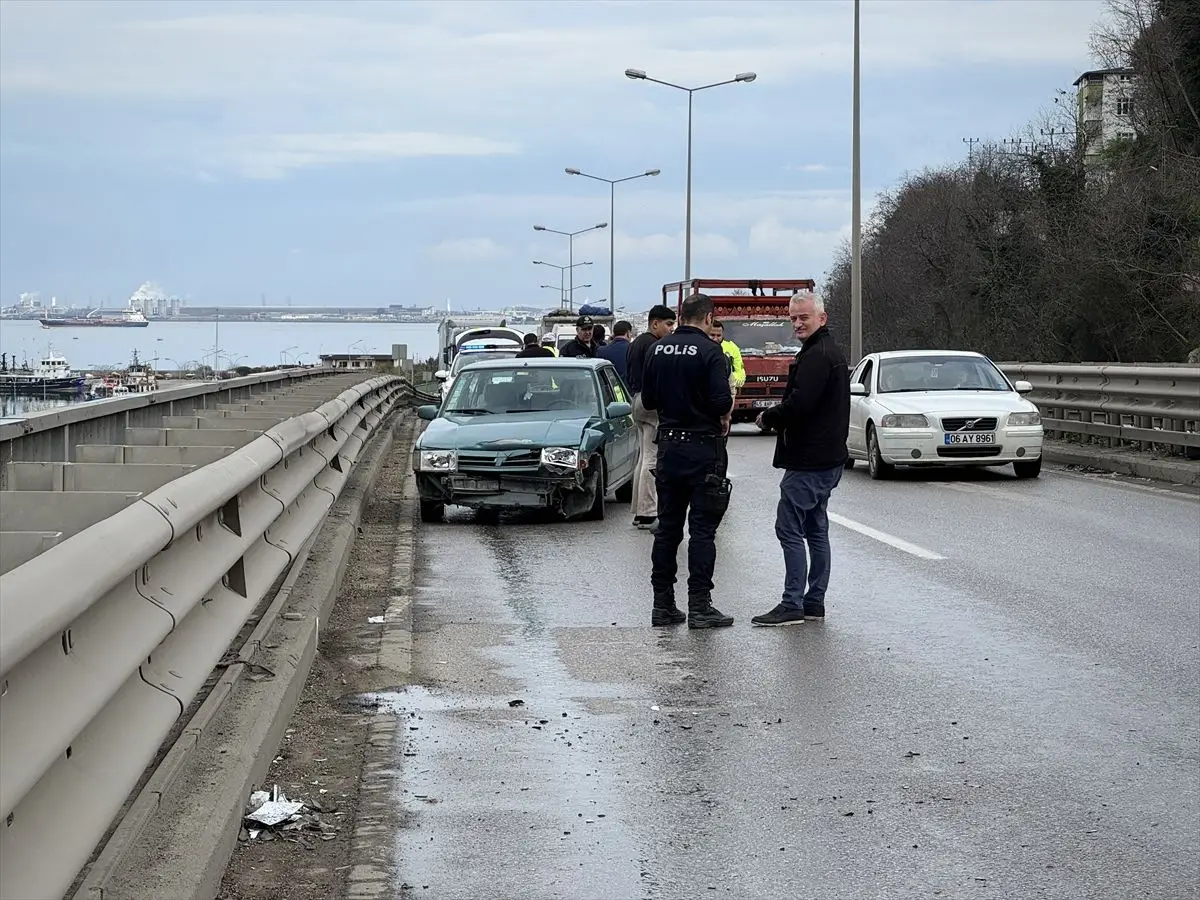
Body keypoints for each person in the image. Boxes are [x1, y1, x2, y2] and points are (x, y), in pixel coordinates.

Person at [750, 290, 850, 627]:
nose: (797, 323)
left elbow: (801, 404)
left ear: (821, 318)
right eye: (792, 318)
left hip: (811, 460)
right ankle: (813, 602)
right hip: (827, 457)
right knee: (816, 529)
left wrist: (770, 416)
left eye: (803, 317)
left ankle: (792, 603)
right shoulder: (826, 350)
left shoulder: (818, 355)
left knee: (789, 527)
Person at [641, 293, 735, 629]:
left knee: (667, 530)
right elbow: (720, 400)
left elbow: (649, 399)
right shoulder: (712, 352)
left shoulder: (657, 349)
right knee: (703, 532)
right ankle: (699, 606)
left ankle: (662, 605)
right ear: (709, 318)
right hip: (702, 449)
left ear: (681, 316)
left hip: (669, 446)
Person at [626, 305, 676, 530]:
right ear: (654, 323)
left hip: (636, 400)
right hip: (650, 403)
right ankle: (647, 513)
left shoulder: (636, 343)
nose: (671, 329)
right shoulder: (655, 346)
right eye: (668, 324)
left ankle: (639, 510)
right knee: (653, 458)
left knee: (643, 457)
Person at [710, 320, 746, 393]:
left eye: (718, 335)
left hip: (727, 391)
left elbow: (741, 375)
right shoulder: (701, 347)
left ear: (722, 334)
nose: (715, 339)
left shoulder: (732, 348)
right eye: (712, 335)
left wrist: (726, 380)